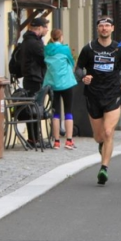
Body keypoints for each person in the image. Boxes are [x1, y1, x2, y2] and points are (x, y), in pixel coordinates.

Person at [76, 16, 121, 185]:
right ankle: (103, 145)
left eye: (107, 26)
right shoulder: (89, 48)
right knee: (99, 136)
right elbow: (78, 68)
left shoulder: (119, 50)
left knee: (108, 132)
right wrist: (84, 77)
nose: (104, 29)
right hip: (93, 94)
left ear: (113, 28)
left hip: (113, 93)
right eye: (102, 26)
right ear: (98, 29)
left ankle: (104, 168)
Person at [43, 28, 77, 150]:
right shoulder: (65, 49)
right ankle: (68, 141)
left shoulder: (47, 50)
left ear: (51, 38)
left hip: (52, 84)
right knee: (68, 111)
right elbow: (72, 63)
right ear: (61, 37)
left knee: (56, 112)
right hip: (67, 84)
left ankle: (56, 141)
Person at [20, 17, 49, 147]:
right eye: (46, 27)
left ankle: (34, 138)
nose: (47, 30)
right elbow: (44, 59)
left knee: (34, 109)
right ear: (39, 28)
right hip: (34, 78)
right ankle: (33, 139)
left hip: (32, 78)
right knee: (34, 109)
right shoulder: (34, 43)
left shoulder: (29, 40)